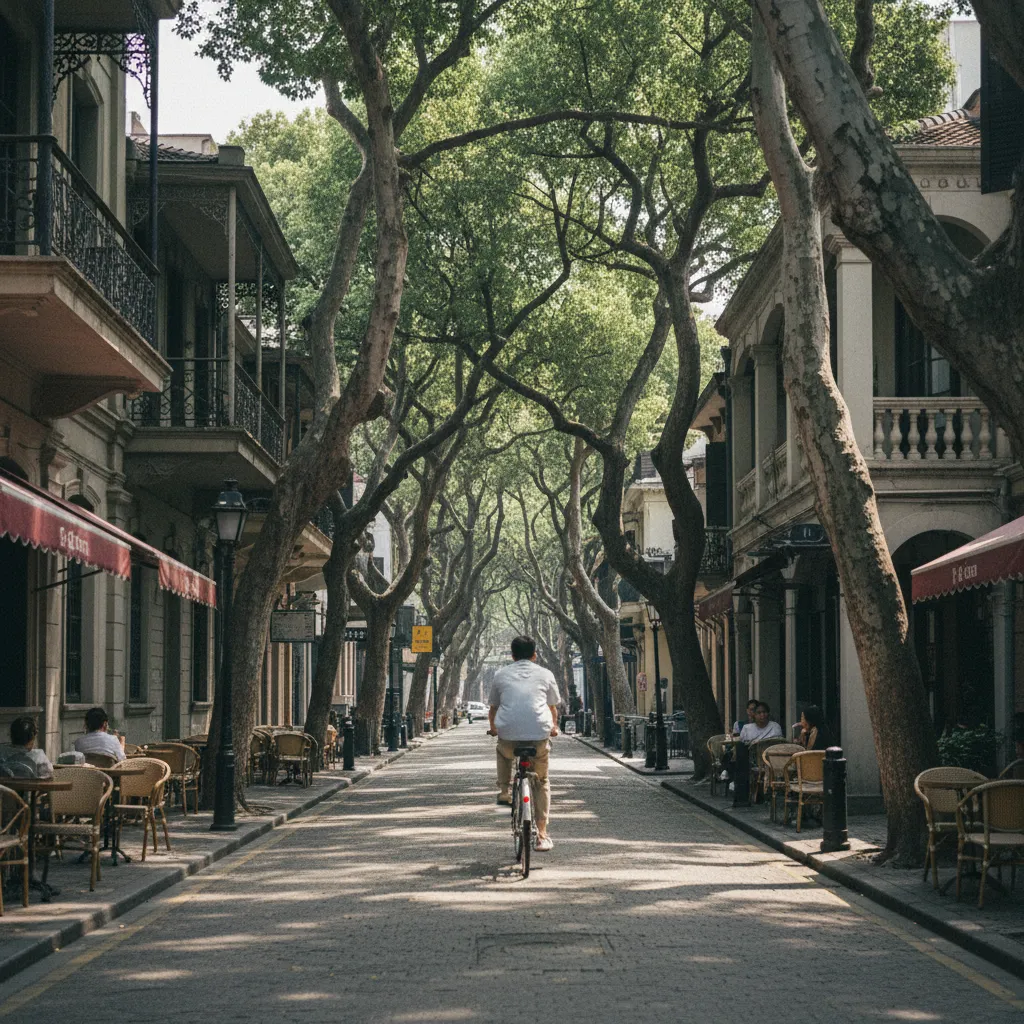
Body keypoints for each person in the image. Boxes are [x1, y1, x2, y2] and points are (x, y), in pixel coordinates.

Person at [487, 635, 560, 852]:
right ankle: (543, 835)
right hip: (538, 736)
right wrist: (554, 727)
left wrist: (493, 728)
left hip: (508, 736)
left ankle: (503, 790)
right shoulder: (546, 674)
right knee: (542, 780)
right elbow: (552, 707)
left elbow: (493, 709)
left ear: (512, 655)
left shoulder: (500, 674)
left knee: (503, 751)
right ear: (535, 655)